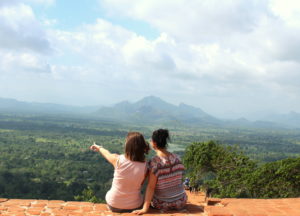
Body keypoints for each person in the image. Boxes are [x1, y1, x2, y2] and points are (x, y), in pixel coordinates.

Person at [90, 132, 149, 213]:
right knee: (141, 196)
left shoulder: (117, 159)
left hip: (113, 204)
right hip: (134, 206)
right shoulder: (146, 167)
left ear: (127, 146)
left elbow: (106, 153)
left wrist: (99, 147)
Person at [133, 129, 187, 215]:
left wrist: (144, 209)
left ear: (154, 143)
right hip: (181, 201)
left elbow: (151, 187)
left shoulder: (154, 163)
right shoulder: (178, 158)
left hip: (163, 204)